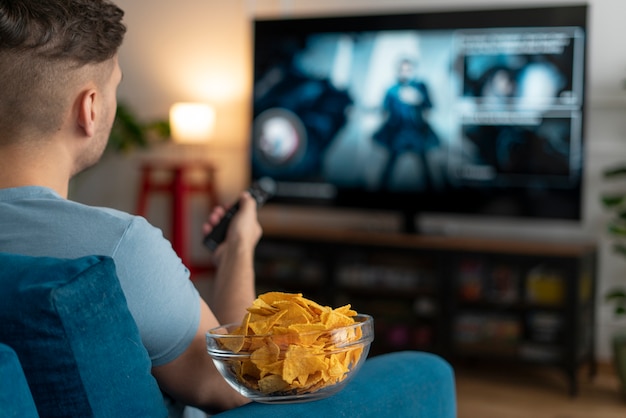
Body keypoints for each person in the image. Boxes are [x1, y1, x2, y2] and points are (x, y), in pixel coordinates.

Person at [0, 0, 260, 415]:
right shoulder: (115, 250)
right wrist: (239, 251)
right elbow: (232, 383)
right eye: (114, 86)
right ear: (90, 109)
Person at [373, 58, 440, 190]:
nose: (405, 73)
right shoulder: (391, 90)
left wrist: (418, 99)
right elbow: (384, 109)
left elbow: (430, 106)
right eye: (402, 70)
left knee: (425, 167)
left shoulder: (421, 87)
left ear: (414, 70)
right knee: (389, 166)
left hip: (417, 132)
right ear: (398, 71)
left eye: (408, 69)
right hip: (397, 133)